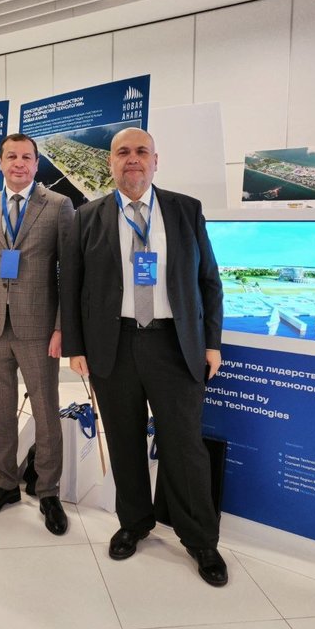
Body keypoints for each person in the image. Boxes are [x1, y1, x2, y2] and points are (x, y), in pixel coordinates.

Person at [60, 127, 227, 586]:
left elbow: (209, 281)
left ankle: (200, 539)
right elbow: (71, 286)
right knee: (124, 440)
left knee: (184, 445)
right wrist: (75, 347)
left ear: (156, 160)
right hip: (113, 345)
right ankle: (134, 522)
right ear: (111, 162)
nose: (132, 159)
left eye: (140, 152)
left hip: (176, 344)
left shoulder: (185, 209)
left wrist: (212, 342)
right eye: (122, 152)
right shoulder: (86, 216)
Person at [0, 133, 74, 535]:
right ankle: (6, 483)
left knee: (46, 413)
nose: (19, 163)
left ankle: (49, 490)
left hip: (38, 329)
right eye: (12, 156)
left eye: (26, 157)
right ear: (0, 162)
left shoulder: (58, 205)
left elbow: (69, 273)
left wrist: (61, 327)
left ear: (36, 164)